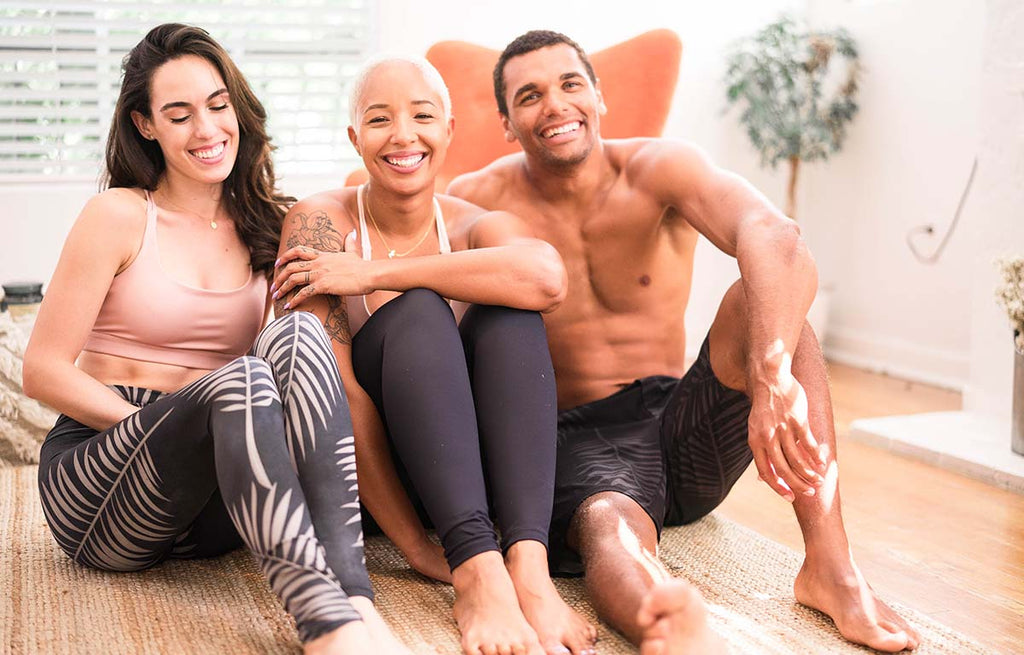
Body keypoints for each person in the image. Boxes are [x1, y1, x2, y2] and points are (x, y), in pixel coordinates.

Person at [447, 30, 922, 654]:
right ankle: (666, 626)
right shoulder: (472, 202)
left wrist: (772, 373)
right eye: (529, 96)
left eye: (570, 84)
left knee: (766, 303)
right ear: (508, 123)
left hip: (678, 422)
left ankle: (830, 569)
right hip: (575, 441)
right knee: (608, 523)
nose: (555, 105)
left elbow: (775, 235)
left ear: (598, 96)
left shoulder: (657, 168)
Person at [22, 24, 409, 655]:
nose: (206, 130)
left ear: (237, 108)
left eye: (217, 105)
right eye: (179, 115)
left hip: (217, 497)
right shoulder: (119, 214)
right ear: (146, 125)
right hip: (102, 482)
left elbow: (318, 368)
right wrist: (170, 425)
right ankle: (326, 629)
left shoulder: (272, 226)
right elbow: (41, 371)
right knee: (241, 379)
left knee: (300, 333)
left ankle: (356, 600)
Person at [271, 55, 597, 655]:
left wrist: (371, 272)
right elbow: (325, 387)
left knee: (511, 308)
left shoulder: (475, 226)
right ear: (354, 138)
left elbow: (547, 278)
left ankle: (527, 563)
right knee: (419, 310)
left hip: (473, 473)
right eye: (379, 119)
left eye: (422, 116)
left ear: (448, 129)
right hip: (384, 482)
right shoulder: (322, 221)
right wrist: (419, 547)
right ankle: (477, 569)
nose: (403, 135)